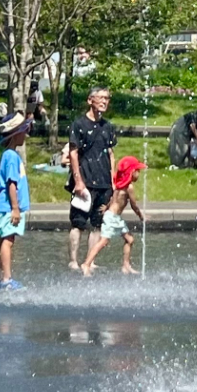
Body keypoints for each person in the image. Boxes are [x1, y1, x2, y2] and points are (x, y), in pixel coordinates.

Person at [67, 86, 118, 268]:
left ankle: (90, 260)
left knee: (97, 224)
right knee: (78, 223)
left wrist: (113, 182)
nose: (104, 101)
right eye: (101, 98)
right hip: (85, 181)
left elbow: (111, 154)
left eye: (107, 98)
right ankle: (73, 260)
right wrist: (78, 181)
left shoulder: (108, 127)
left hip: (104, 182)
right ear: (90, 100)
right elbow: (73, 153)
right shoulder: (79, 125)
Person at [81, 154, 146, 274]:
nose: (139, 174)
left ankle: (126, 265)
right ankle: (86, 264)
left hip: (115, 218)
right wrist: (141, 216)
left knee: (129, 239)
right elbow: (133, 205)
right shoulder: (129, 187)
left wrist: (106, 207)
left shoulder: (120, 185)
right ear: (131, 172)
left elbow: (113, 199)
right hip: (112, 218)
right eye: (137, 171)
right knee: (103, 241)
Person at [0, 111, 31, 290]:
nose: (27, 134)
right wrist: (15, 208)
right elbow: (11, 184)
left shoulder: (7, 155)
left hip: (1, 206)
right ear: (16, 135)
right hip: (8, 206)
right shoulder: (13, 157)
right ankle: (7, 279)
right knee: (8, 240)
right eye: (24, 131)